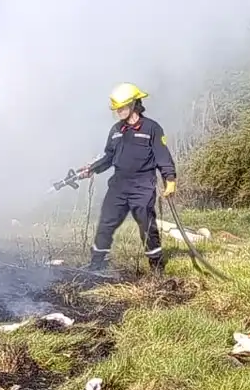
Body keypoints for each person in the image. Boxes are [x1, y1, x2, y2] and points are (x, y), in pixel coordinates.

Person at [74, 83, 177, 273]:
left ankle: (157, 268)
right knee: (106, 222)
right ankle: (96, 264)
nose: (118, 111)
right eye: (117, 108)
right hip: (118, 186)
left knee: (147, 226)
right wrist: (92, 168)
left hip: (142, 186)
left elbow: (163, 156)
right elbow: (109, 157)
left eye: (122, 107)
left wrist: (170, 180)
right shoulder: (116, 130)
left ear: (134, 104)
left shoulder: (152, 128)